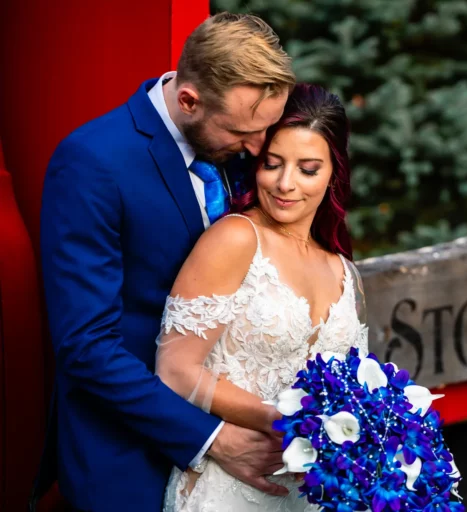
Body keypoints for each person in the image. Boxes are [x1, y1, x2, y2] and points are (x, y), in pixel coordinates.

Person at [36, 13, 295, 511]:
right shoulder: (93, 162)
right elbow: (86, 346)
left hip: (247, 449)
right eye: (243, 132)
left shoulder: (241, 143)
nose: (259, 150)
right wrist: (212, 438)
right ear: (189, 100)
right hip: (131, 458)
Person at [155, 83, 369, 511]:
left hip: (311, 497)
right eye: (273, 164)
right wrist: (287, 421)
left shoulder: (343, 270)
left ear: (333, 174)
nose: (286, 184)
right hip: (228, 489)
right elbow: (175, 370)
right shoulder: (235, 239)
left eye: (308, 169)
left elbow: (355, 390)